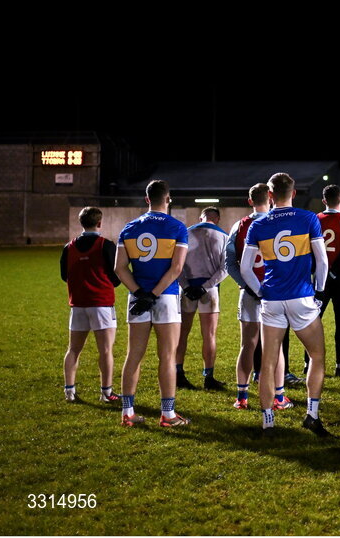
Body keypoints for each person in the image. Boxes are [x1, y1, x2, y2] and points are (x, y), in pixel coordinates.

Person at [240, 173, 330, 436]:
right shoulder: (308, 218)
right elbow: (322, 262)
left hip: (272, 300)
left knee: (267, 364)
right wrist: (321, 292)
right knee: (317, 356)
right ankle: (312, 415)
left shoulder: (257, 225)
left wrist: (260, 292)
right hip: (301, 297)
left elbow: (246, 268)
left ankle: (268, 421)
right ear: (293, 192)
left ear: (269, 195)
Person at [114, 180, 190, 427]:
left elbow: (119, 268)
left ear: (147, 199)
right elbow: (177, 268)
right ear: (168, 199)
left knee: (133, 355)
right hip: (165, 297)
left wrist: (141, 293)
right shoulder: (177, 227)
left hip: (138, 298)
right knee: (167, 356)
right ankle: (167, 415)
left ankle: (128, 412)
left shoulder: (129, 228)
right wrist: (155, 294)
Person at [225, 183, 291, 410]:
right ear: (271, 199)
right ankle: (279, 397)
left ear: (250, 200)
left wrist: (247, 285)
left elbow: (229, 263)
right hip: (274, 293)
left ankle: (242, 397)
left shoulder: (240, 225)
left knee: (247, 345)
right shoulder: (280, 223)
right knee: (276, 346)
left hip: (250, 294)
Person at [61, 206, 122, 404]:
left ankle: (69, 391)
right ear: (99, 223)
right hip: (101, 304)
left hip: (77, 304)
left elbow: (64, 275)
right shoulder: (106, 244)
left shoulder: (68, 247)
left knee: (73, 350)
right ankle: (106, 392)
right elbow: (117, 275)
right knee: (105, 350)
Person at [175, 206, 228, 390]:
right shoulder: (223, 236)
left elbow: (177, 265)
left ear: (200, 218)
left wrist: (187, 286)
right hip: (209, 291)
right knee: (209, 335)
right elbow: (225, 268)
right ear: (218, 219)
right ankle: (209, 377)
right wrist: (205, 287)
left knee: (182, 334)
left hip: (188, 290)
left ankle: (178, 374)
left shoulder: (186, 233)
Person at [308, 184, 340, 378]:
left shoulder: (315, 220)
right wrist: (334, 272)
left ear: (323, 200)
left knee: (313, 321)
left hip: (318, 279)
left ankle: (308, 363)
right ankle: (339, 364)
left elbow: (309, 251)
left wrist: (319, 272)